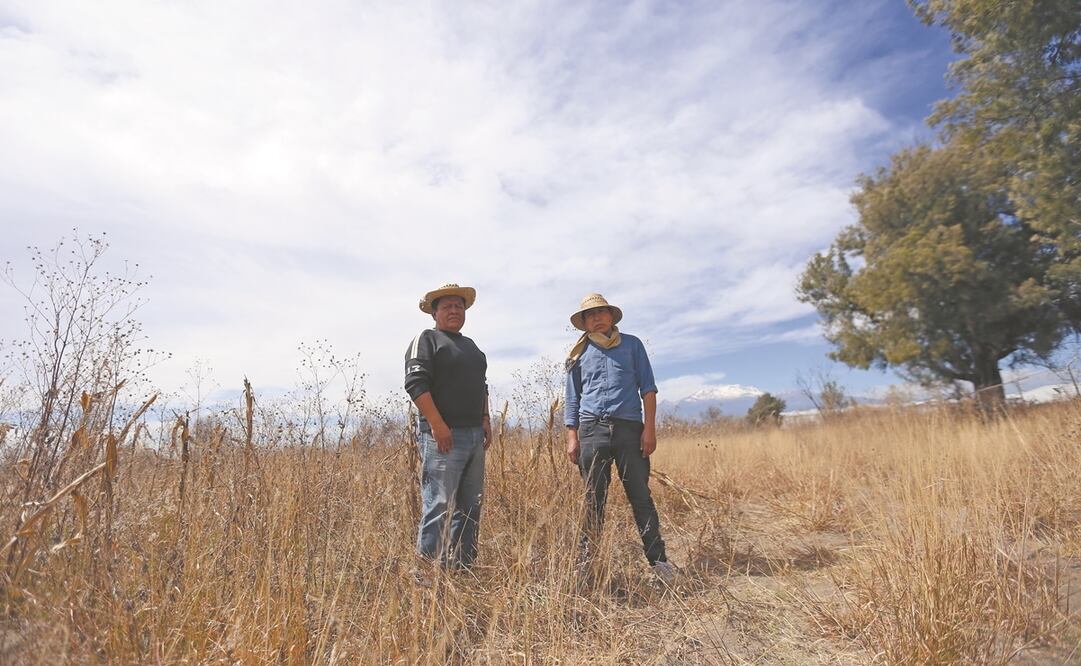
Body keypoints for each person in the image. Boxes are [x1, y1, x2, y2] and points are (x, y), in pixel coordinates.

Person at [564, 293, 677, 583]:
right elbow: (572, 399)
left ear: (612, 317)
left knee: (640, 497)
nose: (597, 318)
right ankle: (586, 566)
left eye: (602, 312)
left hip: (629, 429)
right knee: (593, 500)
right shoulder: (578, 354)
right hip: (592, 431)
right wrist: (572, 437)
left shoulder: (632, 345)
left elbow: (648, 389)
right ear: (584, 323)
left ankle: (659, 562)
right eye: (591, 315)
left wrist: (649, 429)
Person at [404, 283, 491, 577]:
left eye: (459, 306)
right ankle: (426, 575)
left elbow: (482, 387)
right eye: (447, 306)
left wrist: (486, 421)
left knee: (470, 506)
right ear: (434, 312)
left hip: (474, 438)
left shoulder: (474, 349)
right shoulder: (427, 339)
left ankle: (461, 570)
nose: (454, 311)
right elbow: (416, 385)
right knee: (439, 504)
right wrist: (438, 426)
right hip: (442, 436)